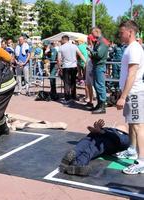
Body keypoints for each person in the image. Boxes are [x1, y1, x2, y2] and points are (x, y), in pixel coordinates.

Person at [116, 20, 144, 175]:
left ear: (130, 32)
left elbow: (132, 74)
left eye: (122, 32)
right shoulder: (131, 48)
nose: (120, 35)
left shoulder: (134, 49)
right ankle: (132, 150)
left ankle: (141, 161)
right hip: (131, 92)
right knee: (133, 124)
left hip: (134, 92)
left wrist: (123, 96)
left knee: (139, 126)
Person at [59, 119, 129, 176]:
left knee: (86, 142)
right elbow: (122, 142)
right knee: (92, 148)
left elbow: (120, 140)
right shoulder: (125, 136)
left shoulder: (113, 132)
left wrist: (97, 131)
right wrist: (99, 131)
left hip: (103, 136)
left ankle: (75, 152)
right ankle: (78, 163)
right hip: (106, 139)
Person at [57, 35, 86, 104]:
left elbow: (59, 59)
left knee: (66, 83)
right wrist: (85, 62)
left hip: (66, 67)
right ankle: (73, 96)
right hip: (74, 66)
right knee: (73, 82)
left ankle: (67, 98)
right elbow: (80, 54)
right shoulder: (74, 46)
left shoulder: (61, 48)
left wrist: (59, 67)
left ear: (64, 40)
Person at [89, 27, 110, 114]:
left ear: (97, 32)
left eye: (92, 33)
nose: (92, 35)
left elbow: (99, 55)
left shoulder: (102, 42)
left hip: (99, 66)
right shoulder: (99, 41)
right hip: (97, 66)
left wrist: (90, 51)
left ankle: (102, 106)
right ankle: (99, 104)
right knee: (97, 85)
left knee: (100, 86)